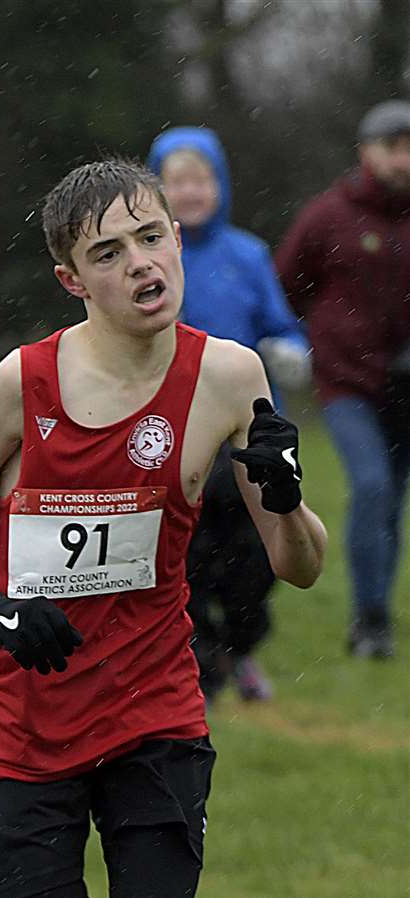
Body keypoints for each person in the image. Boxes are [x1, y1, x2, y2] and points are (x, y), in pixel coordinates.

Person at [0, 158, 326, 898]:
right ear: (72, 279)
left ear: (178, 239)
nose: (142, 264)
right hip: (25, 711)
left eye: (152, 237)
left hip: (156, 709)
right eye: (109, 251)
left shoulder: (229, 375)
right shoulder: (24, 383)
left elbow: (299, 568)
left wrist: (287, 501)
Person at [146, 127, 312, 703]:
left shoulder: (248, 254)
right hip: (174, 430)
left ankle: (241, 648)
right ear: (157, 189)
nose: (191, 193)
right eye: (178, 182)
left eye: (202, 180)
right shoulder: (149, 257)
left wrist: (291, 350)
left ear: (221, 185)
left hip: (247, 431)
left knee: (256, 556)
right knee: (185, 555)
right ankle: (203, 659)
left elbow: (281, 324)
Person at [276, 99, 410, 659]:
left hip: (408, 388)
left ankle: (375, 616)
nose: (402, 159)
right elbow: (285, 284)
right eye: (391, 146)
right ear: (365, 152)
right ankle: (369, 620)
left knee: (391, 504)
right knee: (373, 487)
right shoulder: (328, 216)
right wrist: (305, 342)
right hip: (347, 383)